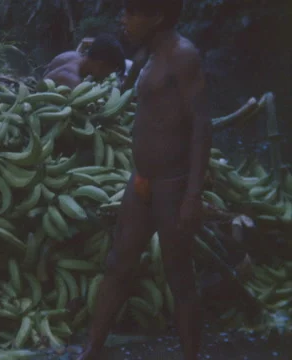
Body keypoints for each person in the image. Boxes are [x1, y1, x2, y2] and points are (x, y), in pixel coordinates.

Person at [77, 1, 212, 359]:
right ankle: (92, 349)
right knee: (118, 264)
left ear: (157, 17)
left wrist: (193, 195)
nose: (124, 17)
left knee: (179, 277)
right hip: (142, 181)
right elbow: (131, 86)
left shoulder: (183, 56)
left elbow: (201, 125)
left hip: (173, 184)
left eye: (133, 11)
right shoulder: (147, 53)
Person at [43, 33, 126, 88]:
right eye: (108, 73)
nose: (107, 76)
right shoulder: (73, 81)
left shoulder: (71, 56)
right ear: (100, 64)